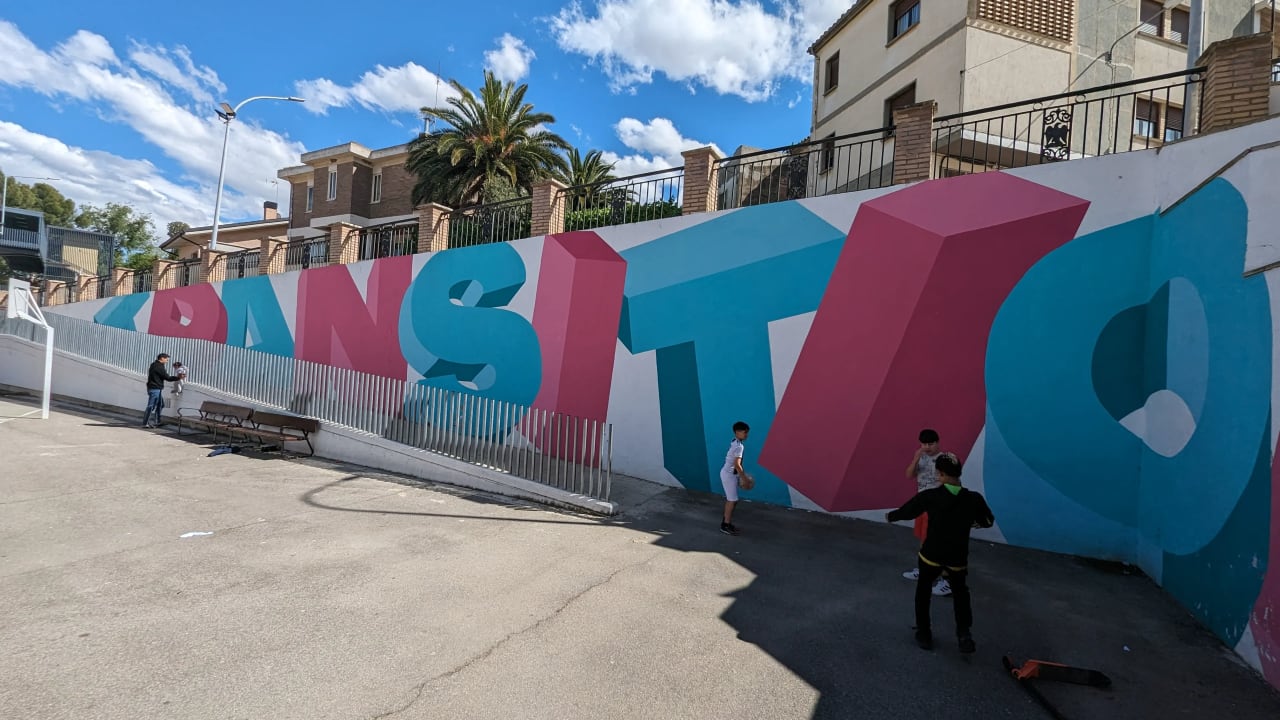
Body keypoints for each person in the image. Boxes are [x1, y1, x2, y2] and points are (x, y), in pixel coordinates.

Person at [886, 452, 995, 653]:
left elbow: (908, 511)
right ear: (959, 473)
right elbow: (987, 522)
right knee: (961, 593)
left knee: (923, 591)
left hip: (931, 554)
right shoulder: (973, 499)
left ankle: (924, 633)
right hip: (957, 556)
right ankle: (964, 633)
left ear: (941, 474)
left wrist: (890, 516)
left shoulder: (931, 496)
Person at [903, 429, 951, 597]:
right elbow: (909, 475)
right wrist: (916, 458)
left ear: (938, 442)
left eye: (931, 444)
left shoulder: (946, 459)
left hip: (938, 507)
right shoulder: (921, 457)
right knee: (924, 541)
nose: (927, 447)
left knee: (938, 544)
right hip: (922, 505)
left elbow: (953, 483)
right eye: (924, 444)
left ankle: (947, 580)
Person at [719, 421, 753, 536]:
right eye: (745, 432)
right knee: (732, 500)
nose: (746, 435)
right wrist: (744, 479)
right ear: (738, 432)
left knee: (733, 500)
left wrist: (738, 476)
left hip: (730, 474)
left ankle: (726, 523)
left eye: (747, 433)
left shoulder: (735, 441)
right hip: (728, 476)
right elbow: (737, 465)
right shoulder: (739, 446)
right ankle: (725, 525)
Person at [143, 353, 179, 428]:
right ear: (162, 358)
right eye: (166, 359)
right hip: (154, 389)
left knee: (160, 404)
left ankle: (157, 421)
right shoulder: (159, 367)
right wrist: (178, 377)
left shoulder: (154, 364)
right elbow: (167, 377)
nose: (167, 361)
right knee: (151, 406)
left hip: (156, 388)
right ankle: (145, 423)